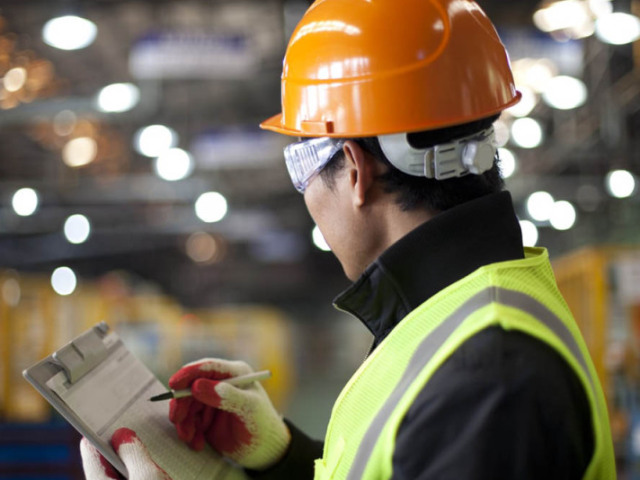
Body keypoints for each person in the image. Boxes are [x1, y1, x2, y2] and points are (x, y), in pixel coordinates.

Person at [81, 0, 616, 479]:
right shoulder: (459, 320)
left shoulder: (487, 378)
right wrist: (285, 457)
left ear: (356, 172)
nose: (306, 199)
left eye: (302, 170)